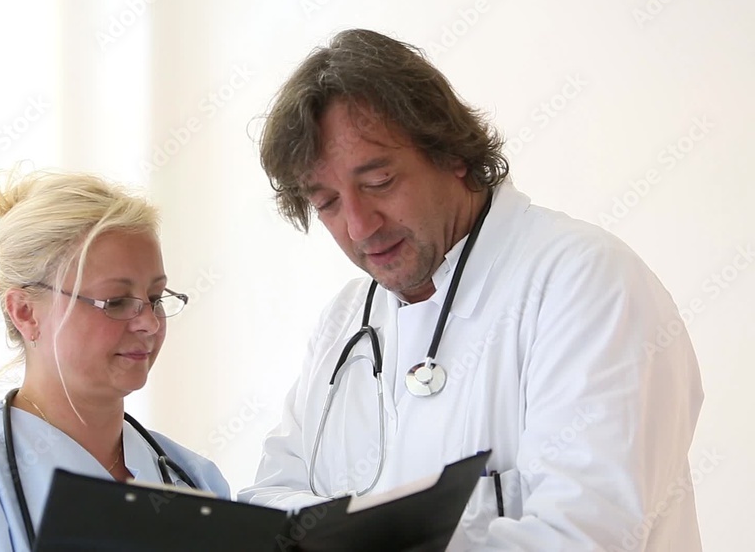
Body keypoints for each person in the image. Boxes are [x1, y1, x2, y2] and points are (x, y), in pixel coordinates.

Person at [238, 28, 703, 551]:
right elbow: (265, 503)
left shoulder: (586, 284)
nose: (360, 226)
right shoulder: (344, 320)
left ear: (451, 154)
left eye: (379, 182)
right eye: (327, 203)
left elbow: (582, 538)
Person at [0, 167, 229, 551]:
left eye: (155, 298)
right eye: (117, 301)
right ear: (25, 312)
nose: (149, 322)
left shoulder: (194, 479)